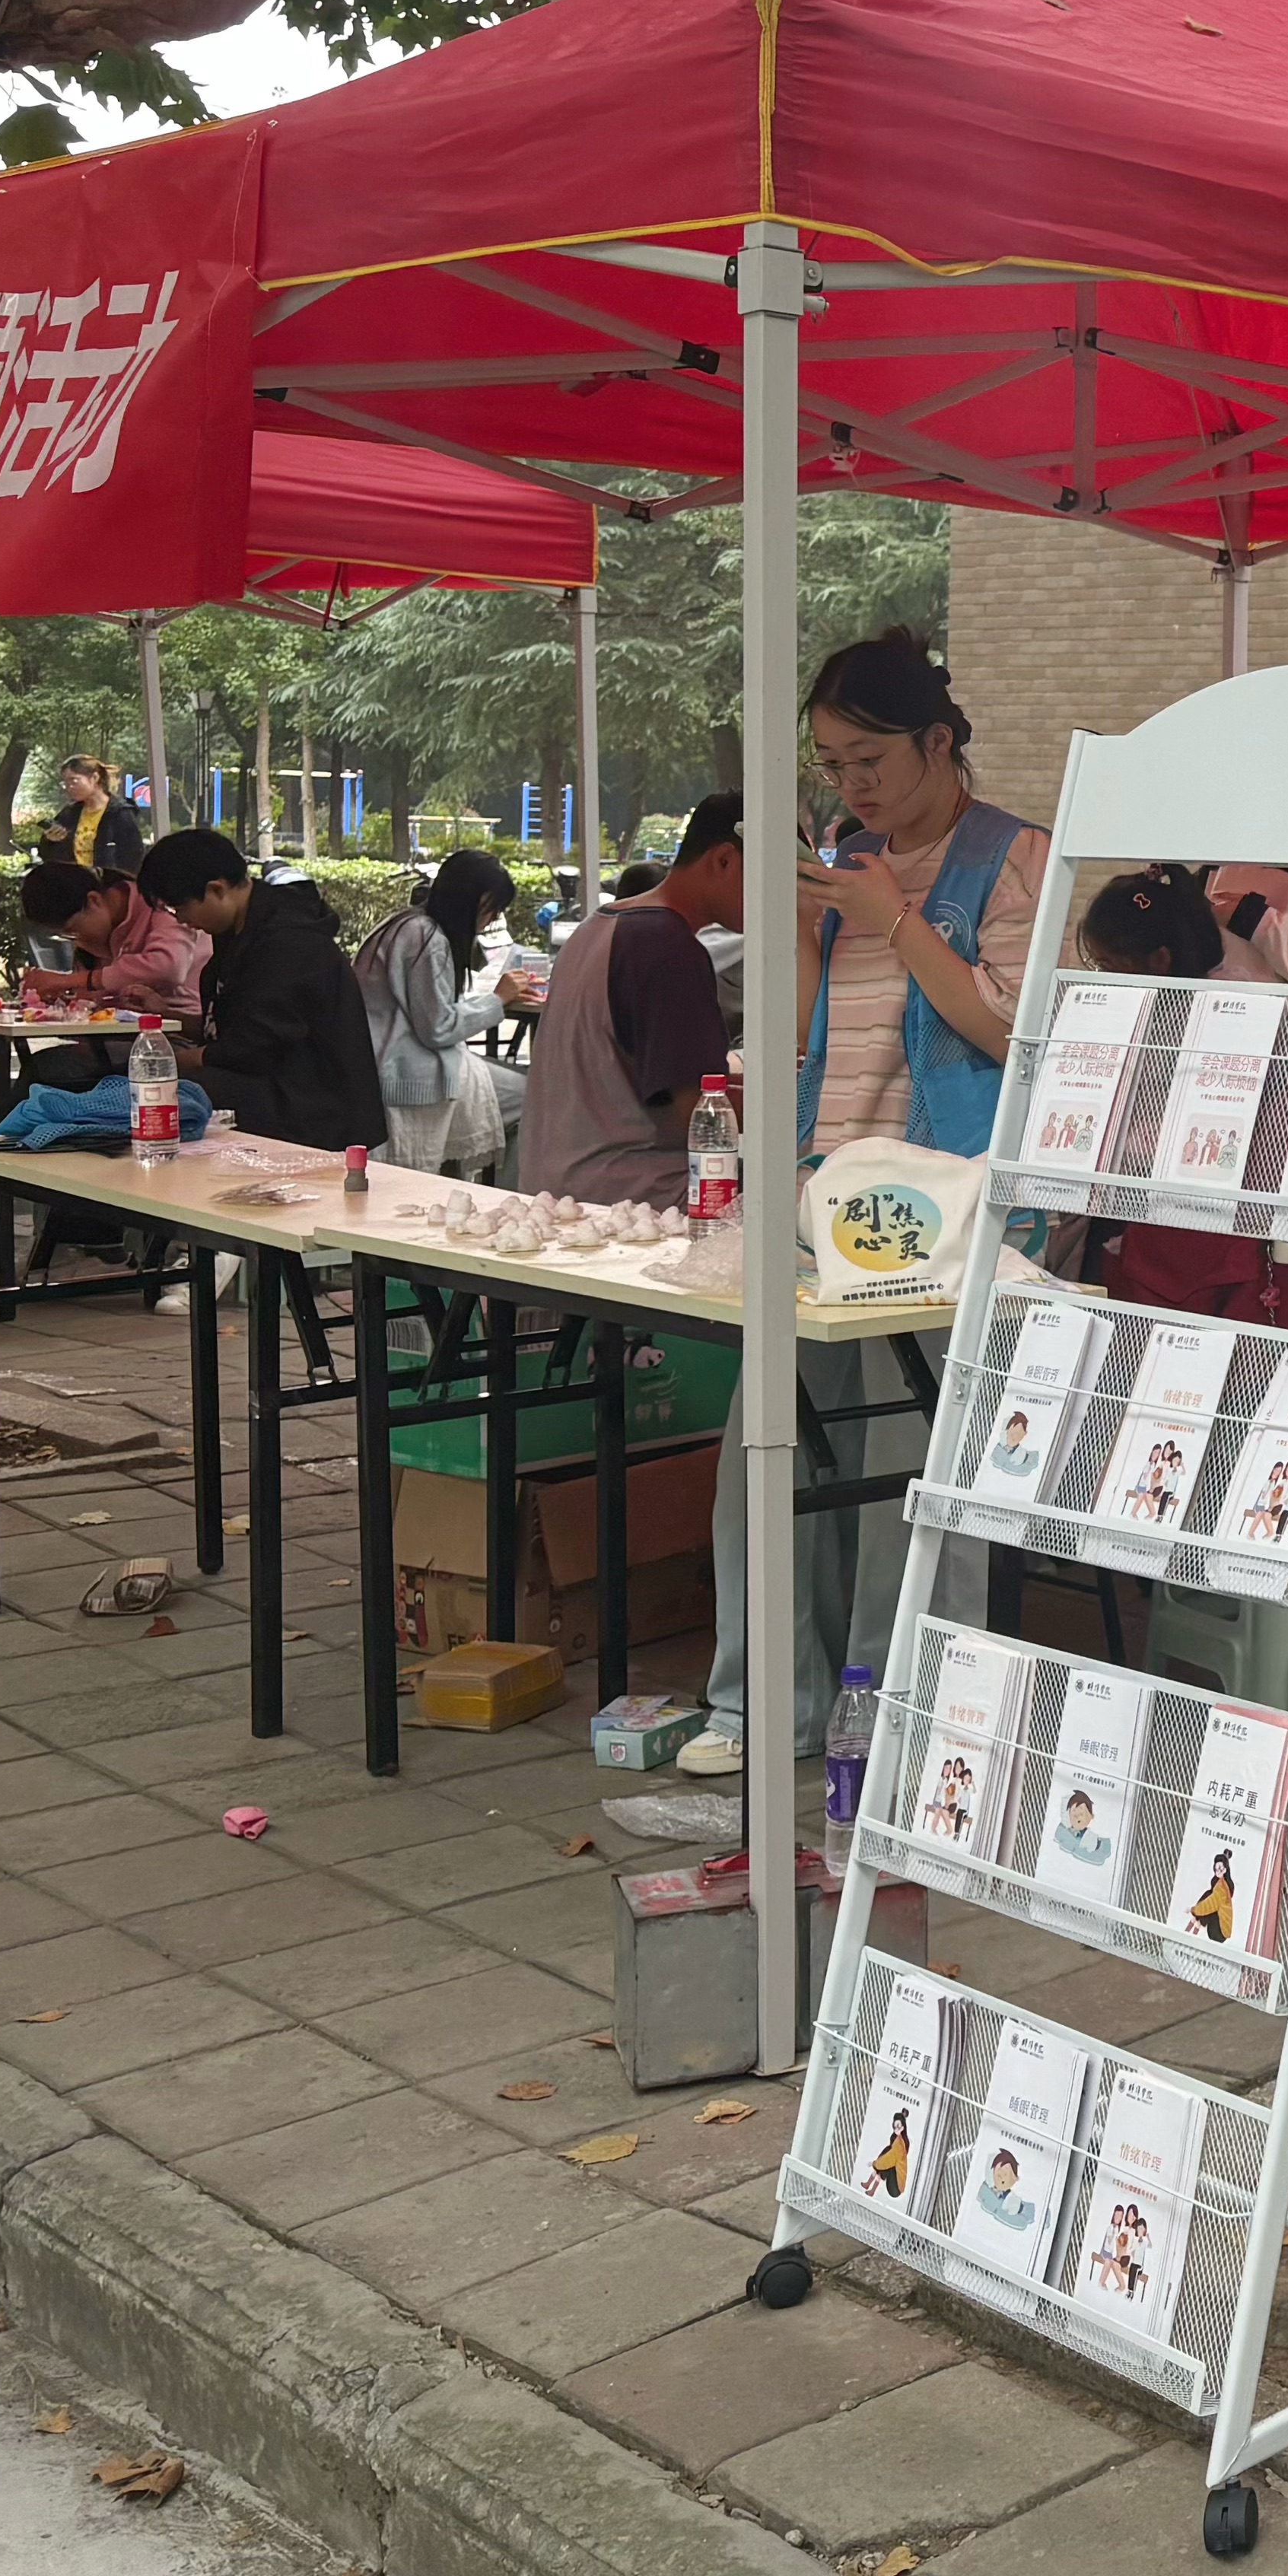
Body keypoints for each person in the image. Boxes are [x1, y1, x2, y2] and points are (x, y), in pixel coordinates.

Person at [689, 633, 1048, 1777]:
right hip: (819, 1194)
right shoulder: (844, 860)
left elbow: (1014, 1029)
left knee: (907, 1473)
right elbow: (804, 1033)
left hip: (942, 1210)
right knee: (770, 1449)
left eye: (871, 760)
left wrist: (896, 918)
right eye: (833, 765)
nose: (853, 786)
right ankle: (761, 1705)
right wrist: (802, 929)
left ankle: (901, 1720)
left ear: (938, 742)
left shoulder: (1015, 857)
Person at [1081, 867, 1288, 1333]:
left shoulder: (1234, 1011)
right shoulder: (1208, 978)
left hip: (1222, 1229)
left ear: (1159, 960)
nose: (1104, 979)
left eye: (1110, 966)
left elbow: (1169, 1134)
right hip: (1184, 1220)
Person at [514, 795, 745, 1206]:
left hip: (555, 1185)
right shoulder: (666, 945)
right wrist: (807, 1107)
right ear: (725, 860)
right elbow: (700, 1112)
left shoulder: (599, 926)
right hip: (630, 1196)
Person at [135, 830, 391, 1153]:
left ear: (217, 889)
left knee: (172, 1091)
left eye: (180, 908)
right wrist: (168, 1017)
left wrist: (175, 1061)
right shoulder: (239, 930)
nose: (182, 921)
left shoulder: (287, 940)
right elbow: (234, 1024)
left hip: (313, 1112)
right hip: (279, 1094)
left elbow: (258, 1041)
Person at [355, 848, 519, 1176]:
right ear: (472, 901)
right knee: (532, 1096)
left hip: (384, 1065)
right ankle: (517, 1198)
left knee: (518, 1084)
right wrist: (498, 1000)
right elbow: (439, 1028)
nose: (491, 921)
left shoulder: (403, 923)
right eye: (492, 910)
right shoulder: (426, 938)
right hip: (406, 1074)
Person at [19, 857, 206, 1024]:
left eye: (72, 931)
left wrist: (68, 981)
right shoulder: (106, 932)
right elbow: (105, 994)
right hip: (126, 1032)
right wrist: (64, 997)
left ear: (94, 900)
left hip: (184, 1028)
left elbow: (167, 968)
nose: (76, 941)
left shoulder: (157, 905)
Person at [32, 756, 143, 875]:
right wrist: (50, 841)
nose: (69, 787)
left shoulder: (120, 813)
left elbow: (133, 856)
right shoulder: (69, 813)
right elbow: (51, 857)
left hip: (109, 882)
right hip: (75, 881)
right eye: (65, 783)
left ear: (95, 777)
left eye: (74, 781)